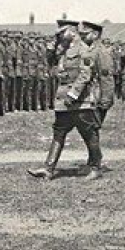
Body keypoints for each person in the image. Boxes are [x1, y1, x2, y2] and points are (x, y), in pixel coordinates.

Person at [28, 19, 106, 181]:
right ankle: (48, 168)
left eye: (62, 32)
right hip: (63, 100)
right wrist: (50, 51)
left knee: (89, 134)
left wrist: (74, 94)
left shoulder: (84, 49)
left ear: (72, 31)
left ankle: (96, 167)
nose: (59, 35)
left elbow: (86, 75)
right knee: (59, 133)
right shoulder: (63, 50)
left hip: (81, 101)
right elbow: (51, 65)